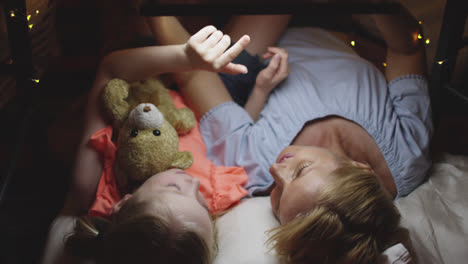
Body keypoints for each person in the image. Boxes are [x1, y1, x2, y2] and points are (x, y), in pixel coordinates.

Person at [154, 3, 431, 264]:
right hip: (344, 22)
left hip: (257, 45)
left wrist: (153, 12)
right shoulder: (407, 154)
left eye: (276, 195)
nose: (276, 169)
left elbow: (192, 74)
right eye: (300, 171)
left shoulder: (256, 164)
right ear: (361, 168)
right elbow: (408, 50)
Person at [61, 15, 291, 264]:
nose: (192, 184)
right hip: (215, 93)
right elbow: (233, 138)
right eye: (202, 206)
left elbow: (110, 70)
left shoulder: (93, 184)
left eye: (174, 188)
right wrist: (261, 90)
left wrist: (184, 58)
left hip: (150, 72)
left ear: (124, 204)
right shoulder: (214, 199)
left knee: (148, 16)